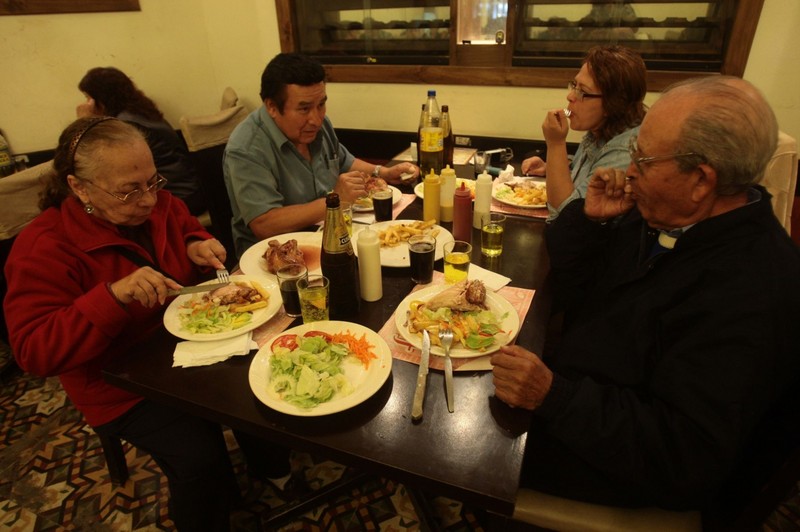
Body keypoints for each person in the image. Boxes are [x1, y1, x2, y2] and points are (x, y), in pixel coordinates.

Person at [491, 76, 800, 513]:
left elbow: (683, 457)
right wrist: (590, 222)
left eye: (643, 158)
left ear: (700, 179)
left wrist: (554, 395)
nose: (629, 170)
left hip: (618, 461)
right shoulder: (665, 215)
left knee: (466, 435)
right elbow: (577, 287)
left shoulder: (755, 287)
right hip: (585, 393)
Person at [3, 117, 298, 530]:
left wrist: (196, 243)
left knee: (259, 387)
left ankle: (271, 471)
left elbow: (183, 223)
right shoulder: (42, 247)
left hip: (186, 345)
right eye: (128, 190)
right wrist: (112, 297)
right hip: (118, 381)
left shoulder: (158, 203)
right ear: (79, 187)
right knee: (198, 458)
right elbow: (33, 351)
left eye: (151, 182)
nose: (146, 201)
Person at [223, 52, 420, 259]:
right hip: (271, 258)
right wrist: (334, 201)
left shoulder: (318, 126)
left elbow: (344, 161)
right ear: (272, 107)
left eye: (321, 105)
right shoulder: (246, 148)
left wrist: (384, 172)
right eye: (304, 108)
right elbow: (264, 224)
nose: (316, 119)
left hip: (325, 236)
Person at [521, 45, 646, 221]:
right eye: (574, 85)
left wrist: (555, 144)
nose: (571, 96)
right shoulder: (602, 127)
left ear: (614, 102)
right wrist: (551, 167)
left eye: (583, 92)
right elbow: (584, 174)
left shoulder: (624, 152)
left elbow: (564, 216)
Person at [77, 66, 208, 216]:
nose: (85, 104)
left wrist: (85, 122)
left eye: (88, 98)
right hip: (191, 190)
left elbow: (94, 161)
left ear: (101, 99)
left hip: (178, 196)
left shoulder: (126, 127)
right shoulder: (140, 111)